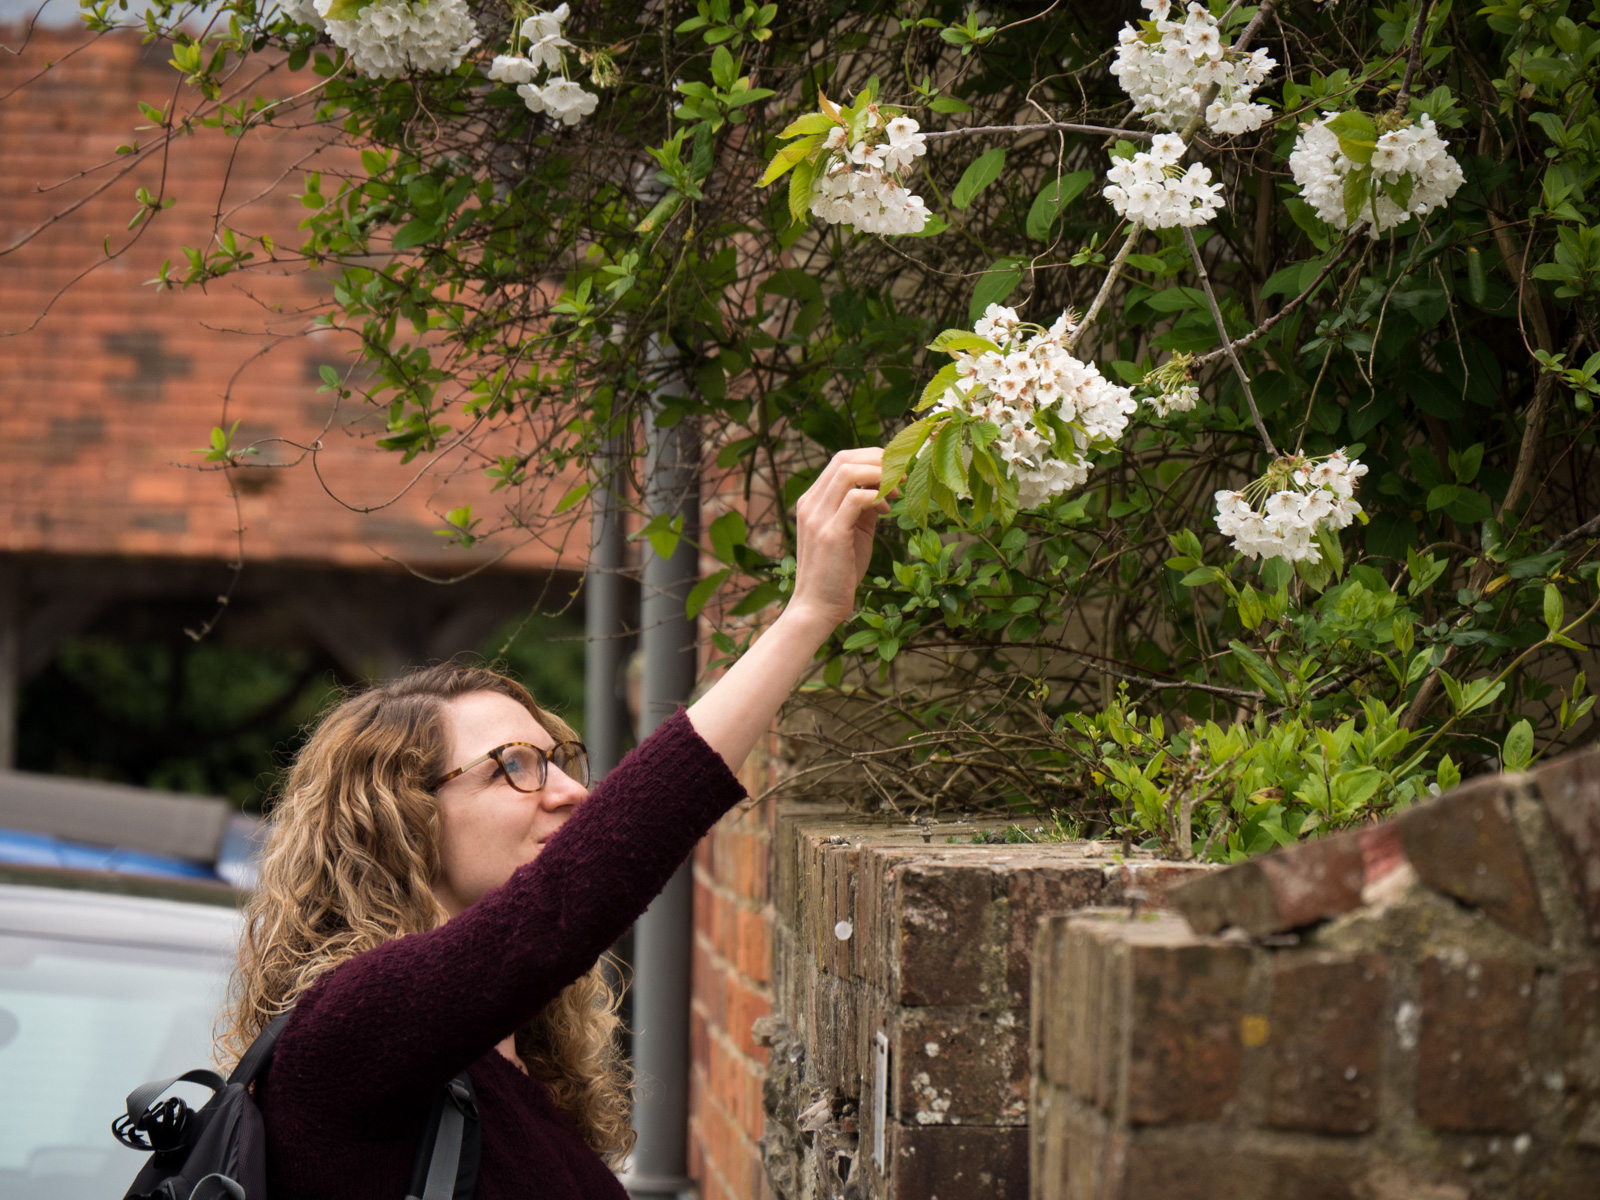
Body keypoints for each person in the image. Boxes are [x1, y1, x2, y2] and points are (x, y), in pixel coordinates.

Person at [215, 448, 886, 1199]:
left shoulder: (507, 1061)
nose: (570, 792)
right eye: (514, 765)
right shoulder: (349, 1030)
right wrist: (807, 613)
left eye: (561, 760)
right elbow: (574, 892)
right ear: (398, 819)